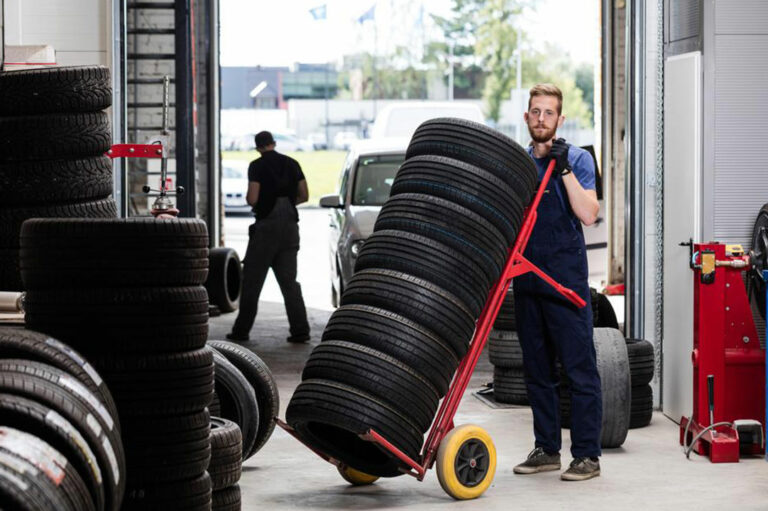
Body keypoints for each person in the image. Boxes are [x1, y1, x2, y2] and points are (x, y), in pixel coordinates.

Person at [512, 84, 602, 481]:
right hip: (527, 281)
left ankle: (587, 456)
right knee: (537, 371)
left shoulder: (579, 159)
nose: (541, 119)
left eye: (549, 113)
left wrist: (563, 169)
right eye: (535, 111)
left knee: (580, 371)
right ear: (527, 116)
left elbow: (589, 214)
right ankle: (547, 449)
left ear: (560, 120)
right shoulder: (516, 164)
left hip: (565, 283)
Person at [226, 131, 311, 343]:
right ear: (273, 143)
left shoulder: (257, 166)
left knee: (252, 281)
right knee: (290, 283)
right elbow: (304, 195)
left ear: (258, 147)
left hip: (266, 229)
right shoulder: (292, 163)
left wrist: (262, 203)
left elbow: (252, 198)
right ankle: (300, 331)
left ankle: (241, 331)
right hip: (290, 228)